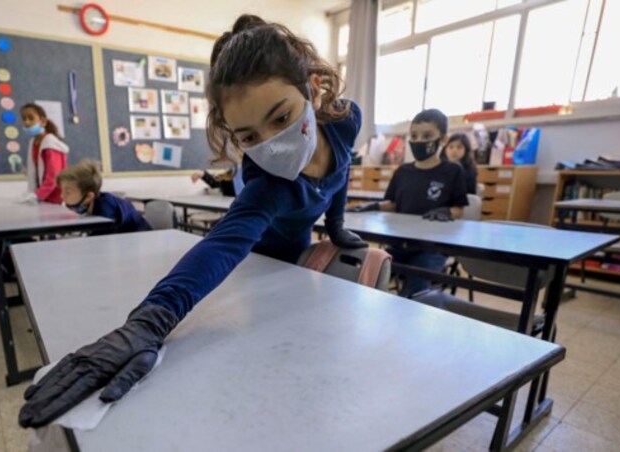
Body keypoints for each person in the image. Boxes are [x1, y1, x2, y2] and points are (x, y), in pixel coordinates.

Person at [19, 14, 367, 428]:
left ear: (312, 89)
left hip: (300, 262)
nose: (272, 145)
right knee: (270, 364)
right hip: (259, 265)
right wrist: (149, 321)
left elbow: (340, 169)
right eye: (249, 137)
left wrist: (336, 221)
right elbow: (222, 245)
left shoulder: (346, 119)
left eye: (281, 118)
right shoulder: (268, 186)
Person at [349, 109, 468, 298]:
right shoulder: (403, 171)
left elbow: (459, 210)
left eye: (427, 135)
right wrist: (372, 207)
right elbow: (394, 204)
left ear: (443, 140)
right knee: (368, 274)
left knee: (414, 288)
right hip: (399, 244)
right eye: (414, 136)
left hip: (431, 247)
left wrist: (447, 211)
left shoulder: (453, 171)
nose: (419, 140)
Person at [57, 160, 151, 233]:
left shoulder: (105, 209)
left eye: (67, 192)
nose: (62, 196)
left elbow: (101, 241)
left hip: (142, 241)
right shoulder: (90, 204)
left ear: (89, 196)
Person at [21, 103, 69, 204]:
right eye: (24, 119)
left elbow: (53, 177)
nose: (27, 122)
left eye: (30, 118)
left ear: (43, 121)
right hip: (44, 198)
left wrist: (37, 195)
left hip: (57, 199)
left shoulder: (50, 143)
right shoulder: (34, 142)